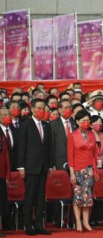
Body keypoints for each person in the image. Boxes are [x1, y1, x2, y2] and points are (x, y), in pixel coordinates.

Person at [17, 98, 53, 236]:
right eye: (38, 107)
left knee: (40, 198)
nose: (41, 110)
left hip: (43, 167)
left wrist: (50, 165)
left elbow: (49, 147)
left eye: (43, 107)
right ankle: (28, 225)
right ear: (32, 109)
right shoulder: (25, 125)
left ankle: (39, 225)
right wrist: (21, 167)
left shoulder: (46, 125)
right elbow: (21, 147)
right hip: (30, 167)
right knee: (30, 197)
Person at [68, 111, 99, 232]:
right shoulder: (73, 135)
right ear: (77, 122)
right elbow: (70, 155)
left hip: (89, 168)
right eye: (83, 121)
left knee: (88, 197)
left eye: (88, 120)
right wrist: (71, 173)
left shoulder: (91, 134)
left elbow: (95, 153)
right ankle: (78, 222)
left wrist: (95, 170)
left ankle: (86, 221)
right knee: (78, 197)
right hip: (77, 169)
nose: (86, 123)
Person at [51, 100, 76, 172]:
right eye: (66, 108)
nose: (68, 110)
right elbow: (52, 145)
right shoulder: (53, 124)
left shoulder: (76, 123)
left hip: (76, 160)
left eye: (69, 107)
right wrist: (52, 164)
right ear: (59, 110)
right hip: (60, 161)